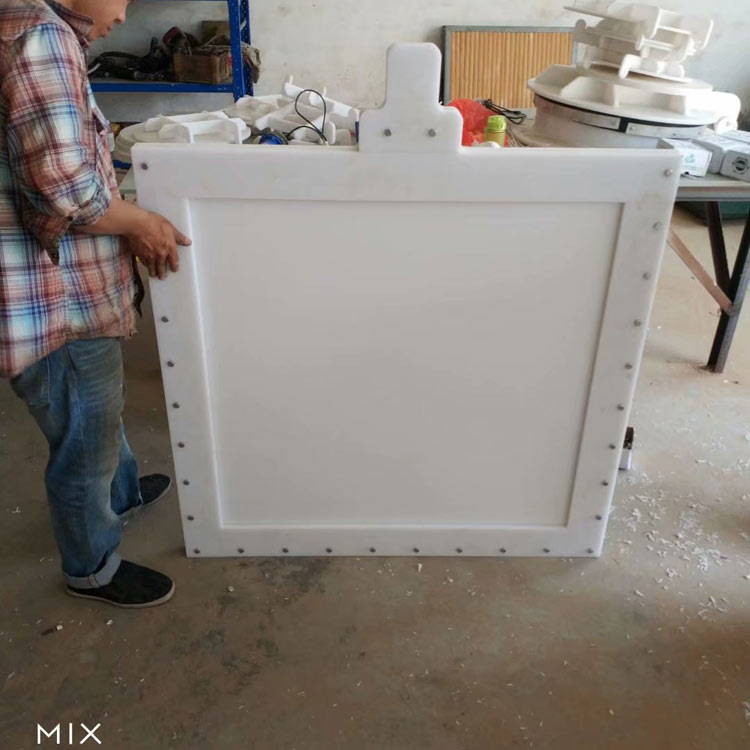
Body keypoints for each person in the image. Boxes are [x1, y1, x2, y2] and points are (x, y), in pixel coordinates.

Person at [1, 0, 192, 607]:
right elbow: (65, 188)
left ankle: (122, 493)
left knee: (97, 409)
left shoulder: (29, 25)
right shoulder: (41, 37)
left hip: (58, 289)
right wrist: (140, 223)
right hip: (54, 301)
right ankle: (92, 567)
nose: (124, 15)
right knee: (85, 435)